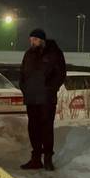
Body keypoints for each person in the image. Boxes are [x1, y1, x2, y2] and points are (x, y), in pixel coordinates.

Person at [19, 28, 66, 170]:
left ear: (41, 40)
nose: (31, 42)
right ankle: (35, 158)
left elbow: (60, 74)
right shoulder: (28, 54)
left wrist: (50, 88)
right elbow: (22, 73)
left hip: (46, 98)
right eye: (30, 39)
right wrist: (24, 88)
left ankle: (47, 159)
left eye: (34, 39)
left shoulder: (54, 54)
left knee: (46, 128)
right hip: (31, 98)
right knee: (33, 128)